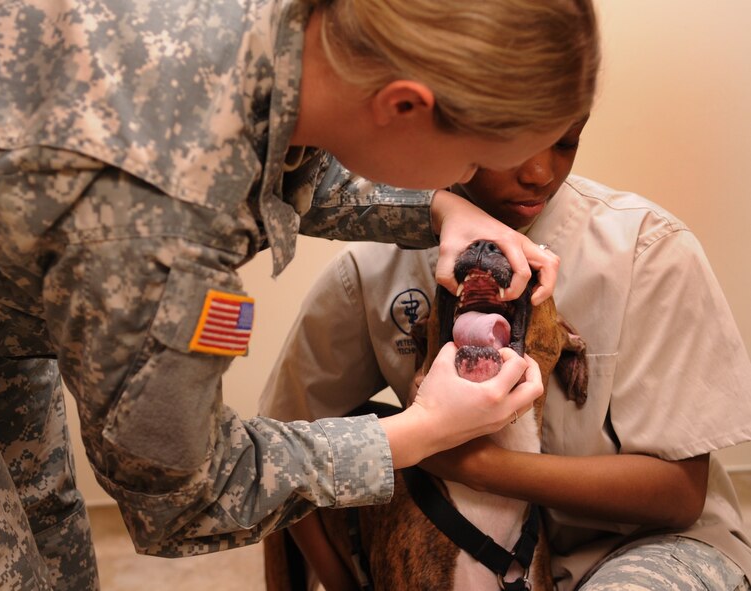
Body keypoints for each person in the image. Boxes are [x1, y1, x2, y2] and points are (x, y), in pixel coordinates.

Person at [0, 0, 601, 588]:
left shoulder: (309, 38)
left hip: (1, 305)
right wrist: (416, 433)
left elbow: (291, 139)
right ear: (405, 104)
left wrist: (437, 208)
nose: (469, 180)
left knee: (46, 535)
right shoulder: (161, 225)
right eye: (470, 161)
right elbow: (184, 498)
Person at [259, 115, 751, 590]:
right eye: (513, 143)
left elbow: (681, 497)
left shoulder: (648, 248)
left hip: (645, 545)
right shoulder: (372, 267)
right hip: (462, 541)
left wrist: (461, 460)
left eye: (566, 141)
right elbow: (287, 438)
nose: (540, 173)